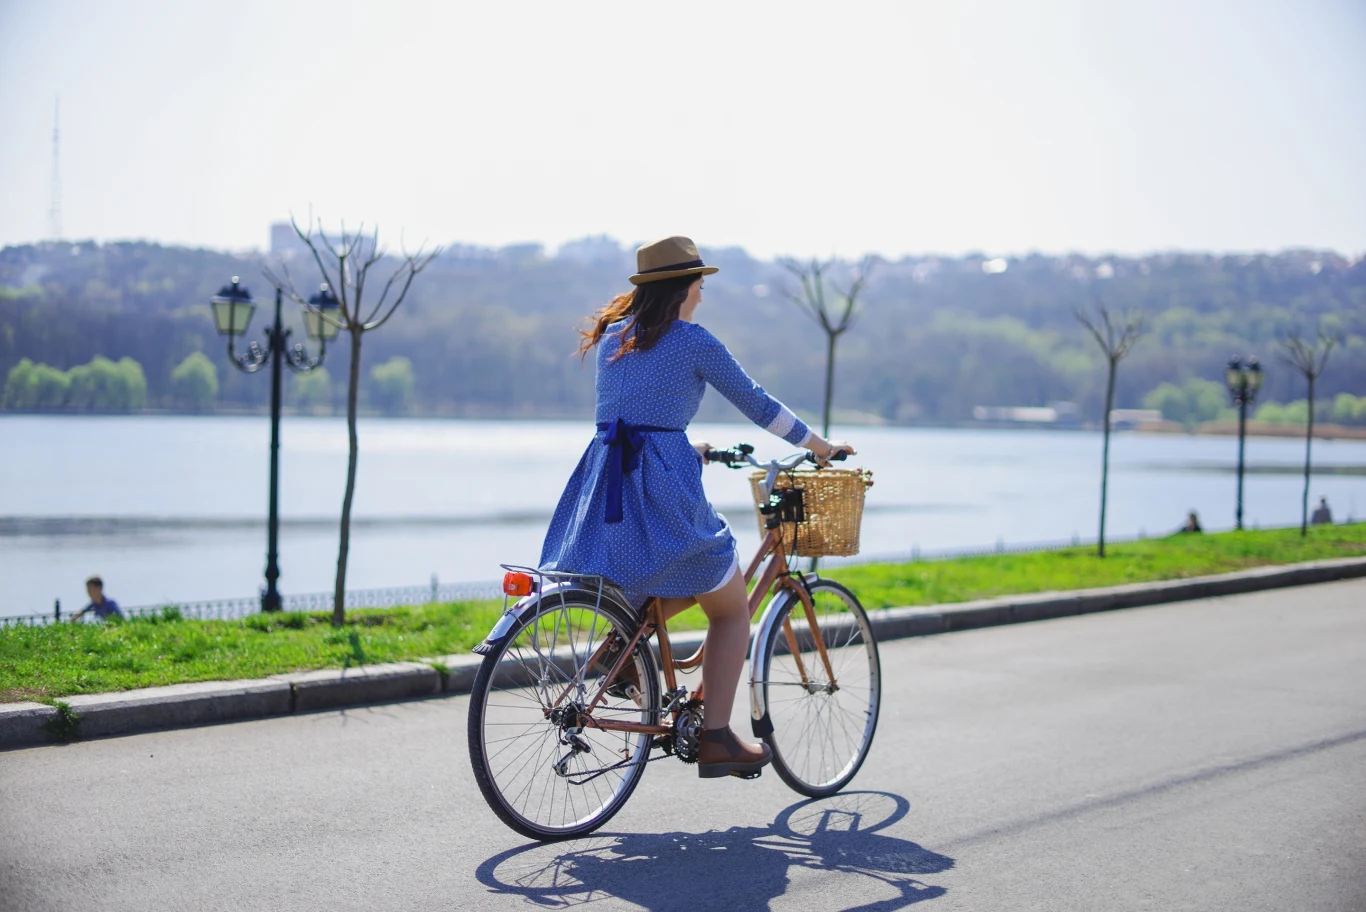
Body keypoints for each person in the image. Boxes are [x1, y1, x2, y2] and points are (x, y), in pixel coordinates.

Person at [539, 236, 853, 781]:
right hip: (661, 487)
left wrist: (692, 448)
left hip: (608, 480)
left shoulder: (617, 336)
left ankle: (622, 648)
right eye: (700, 285)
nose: (703, 295)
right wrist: (820, 447)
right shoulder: (693, 342)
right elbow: (758, 404)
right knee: (730, 607)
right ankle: (716, 737)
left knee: (675, 571)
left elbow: (638, 415)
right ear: (684, 287)